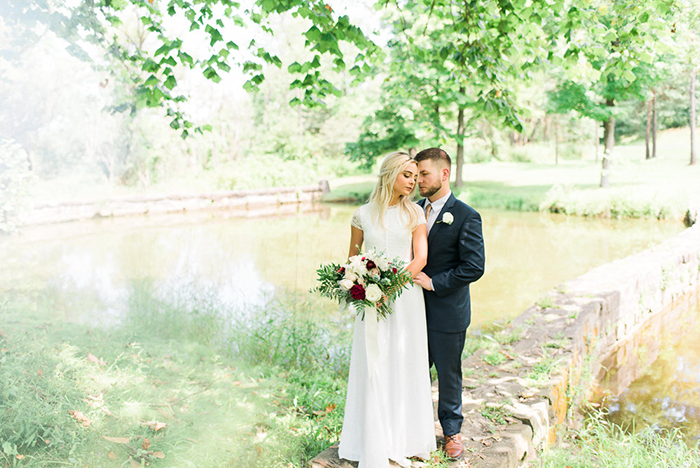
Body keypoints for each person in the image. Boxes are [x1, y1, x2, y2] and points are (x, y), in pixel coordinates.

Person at [338, 151, 436, 468]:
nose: (414, 182)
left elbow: (420, 258)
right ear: (390, 174)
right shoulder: (362, 215)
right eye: (407, 175)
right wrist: (362, 288)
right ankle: (369, 439)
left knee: (404, 360)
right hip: (371, 302)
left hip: (405, 298)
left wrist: (390, 287)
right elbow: (352, 260)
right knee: (374, 362)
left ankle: (406, 438)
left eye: (416, 176)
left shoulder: (415, 215)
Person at [413, 148, 485, 460]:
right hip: (411, 311)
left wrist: (435, 282)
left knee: (448, 374)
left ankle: (452, 432)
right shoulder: (413, 210)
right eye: (415, 175)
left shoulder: (466, 215)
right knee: (412, 370)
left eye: (424, 174)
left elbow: (474, 266)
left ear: (444, 174)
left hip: (447, 312)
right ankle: (412, 428)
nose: (418, 181)